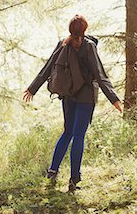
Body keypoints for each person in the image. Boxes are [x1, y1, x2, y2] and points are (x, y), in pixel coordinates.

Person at [23, 14, 123, 192]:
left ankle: (52, 172)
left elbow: (48, 67)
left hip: (68, 96)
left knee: (67, 132)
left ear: (71, 30)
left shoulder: (63, 43)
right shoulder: (88, 46)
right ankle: (74, 180)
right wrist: (114, 99)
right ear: (85, 30)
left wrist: (33, 88)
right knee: (78, 136)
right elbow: (100, 75)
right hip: (85, 98)